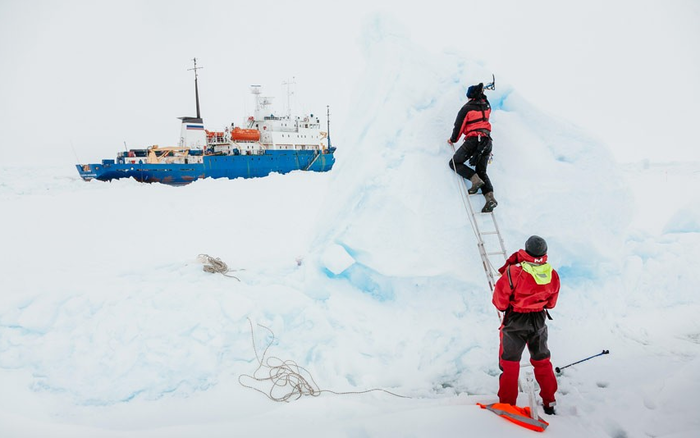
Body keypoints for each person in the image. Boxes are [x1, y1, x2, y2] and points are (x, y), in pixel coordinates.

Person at [492, 235, 560, 415]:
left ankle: (507, 404)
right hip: (538, 319)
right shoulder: (551, 274)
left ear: (526, 251)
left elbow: (499, 301)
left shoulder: (514, 272)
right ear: (544, 254)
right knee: (542, 360)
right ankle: (549, 400)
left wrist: (510, 308)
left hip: (516, 320)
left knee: (510, 362)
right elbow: (551, 303)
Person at [447, 82, 497, 213]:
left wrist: (453, 140)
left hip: (474, 140)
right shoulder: (486, 106)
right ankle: (490, 198)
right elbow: (484, 103)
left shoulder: (467, 108)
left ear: (470, 96)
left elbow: (459, 126)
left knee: (454, 163)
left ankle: (475, 180)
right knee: (482, 171)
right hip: (487, 142)